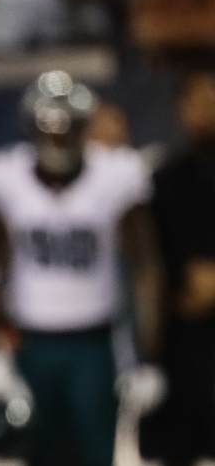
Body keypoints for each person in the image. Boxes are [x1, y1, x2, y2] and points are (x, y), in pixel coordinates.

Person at [0, 71, 164, 466]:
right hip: (30, 340)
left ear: (83, 126)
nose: (58, 135)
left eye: (67, 125)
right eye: (49, 125)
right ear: (31, 125)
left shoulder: (116, 175)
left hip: (94, 341)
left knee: (96, 451)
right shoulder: (6, 175)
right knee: (38, 450)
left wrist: (146, 354)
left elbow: (146, 268)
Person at [142, 71, 215, 464]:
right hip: (181, 342)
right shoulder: (162, 179)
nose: (206, 110)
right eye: (196, 101)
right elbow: (147, 261)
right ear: (179, 109)